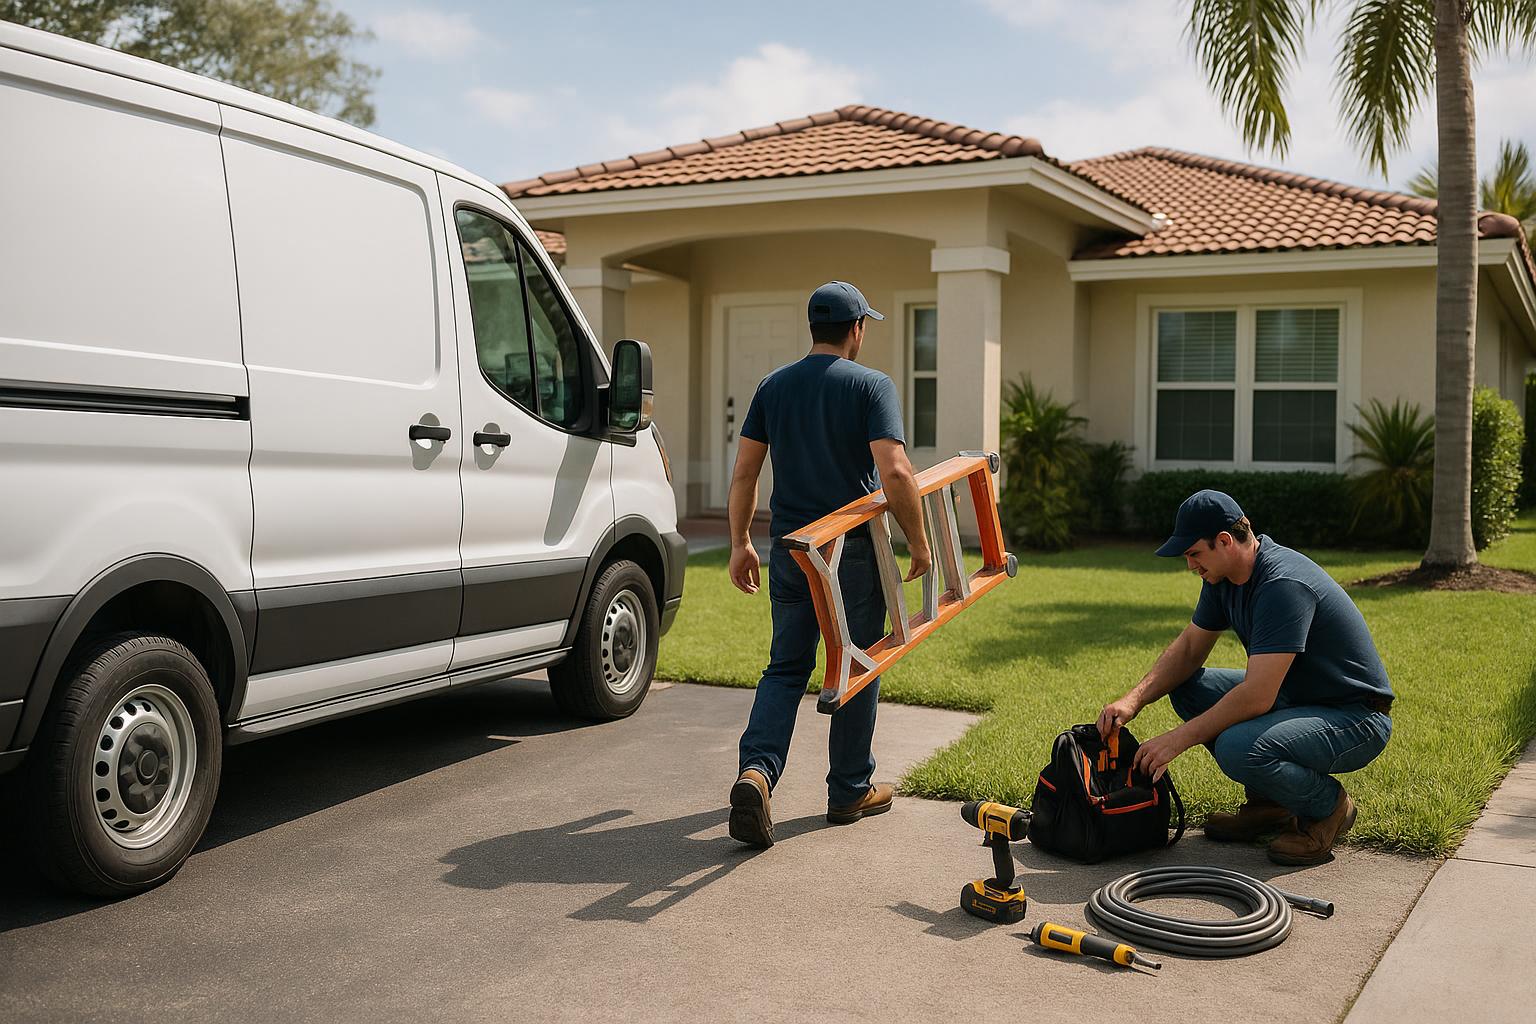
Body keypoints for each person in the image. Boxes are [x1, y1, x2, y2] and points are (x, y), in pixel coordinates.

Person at [725, 281, 930, 848]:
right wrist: (919, 543)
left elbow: (745, 473)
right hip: (851, 549)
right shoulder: (871, 386)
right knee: (857, 663)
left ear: (813, 328)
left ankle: (757, 773)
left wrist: (740, 541)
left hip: (791, 548)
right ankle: (848, 791)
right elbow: (895, 471)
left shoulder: (774, 386)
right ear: (857, 328)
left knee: (785, 669)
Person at [1097, 490, 1394, 865]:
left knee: (1239, 747)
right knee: (1188, 687)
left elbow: (1257, 697)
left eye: (1193, 554)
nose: (1190, 565)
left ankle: (1327, 808)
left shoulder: (1282, 584)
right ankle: (1270, 805)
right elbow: (1190, 649)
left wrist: (1176, 740)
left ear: (1224, 541)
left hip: (1356, 716)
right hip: (1300, 697)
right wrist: (1133, 699)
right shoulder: (1223, 578)